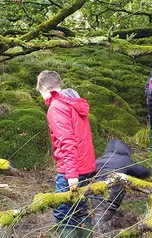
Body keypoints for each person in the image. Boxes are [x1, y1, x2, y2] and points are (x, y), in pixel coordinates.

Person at [36, 70, 96, 238]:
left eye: (40, 92)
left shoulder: (56, 107)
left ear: (43, 89)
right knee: (79, 209)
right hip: (85, 165)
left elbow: (67, 142)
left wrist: (71, 175)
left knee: (63, 212)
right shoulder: (73, 102)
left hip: (72, 169)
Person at [91, 139, 150, 234]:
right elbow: (142, 172)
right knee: (100, 224)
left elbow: (89, 174)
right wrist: (149, 170)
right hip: (111, 198)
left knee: (100, 215)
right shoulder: (124, 160)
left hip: (94, 195)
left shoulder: (100, 160)